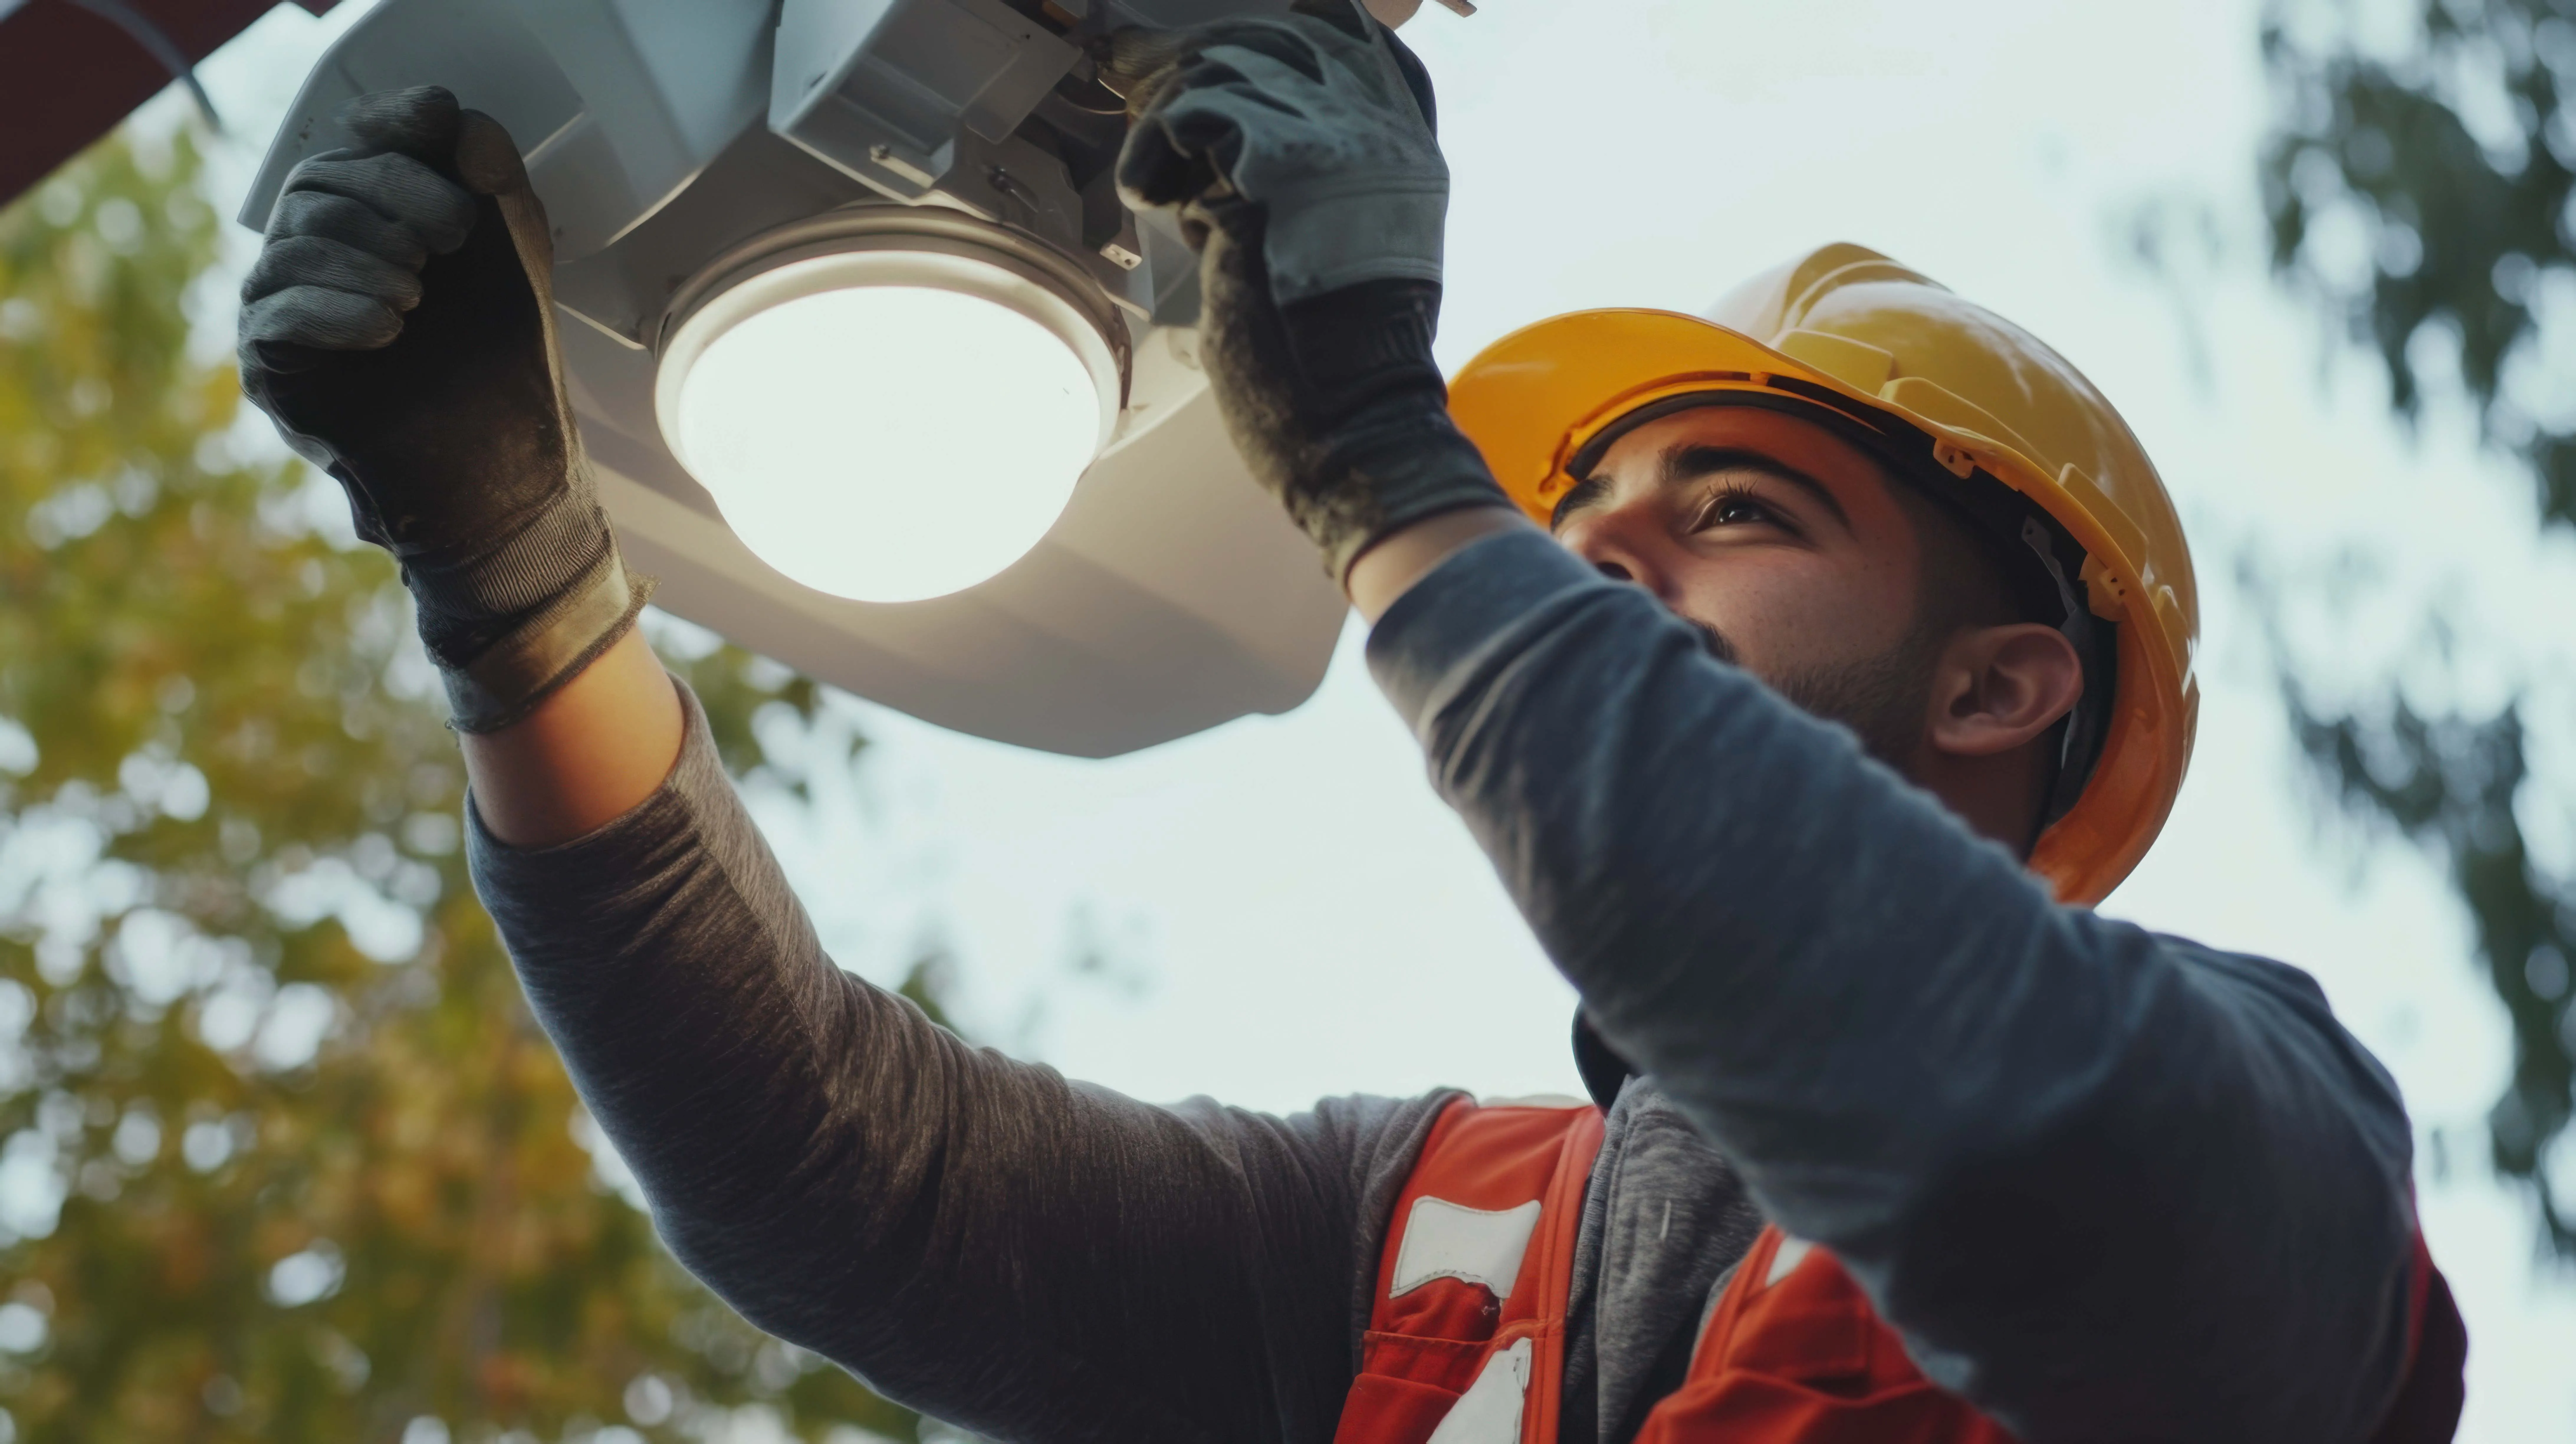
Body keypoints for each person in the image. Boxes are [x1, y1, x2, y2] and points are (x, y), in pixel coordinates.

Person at [233, 4, 2465, 1441]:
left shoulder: (2256, 1131)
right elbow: (842, 1178)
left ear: (2000, 685)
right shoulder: (1428, 1243)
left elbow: (1990, 1118)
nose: (1597, 544)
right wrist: (518, 587)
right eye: (1570, 507)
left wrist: (1394, 468)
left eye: (1740, 509)